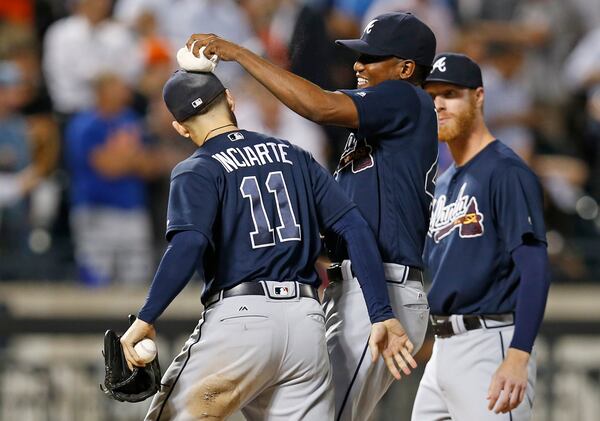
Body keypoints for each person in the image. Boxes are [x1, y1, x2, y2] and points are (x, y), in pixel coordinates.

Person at [119, 70, 416, 421]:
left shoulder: (196, 168)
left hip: (241, 321)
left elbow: (189, 244)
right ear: (230, 100)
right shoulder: (294, 154)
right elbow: (355, 228)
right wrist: (381, 313)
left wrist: (146, 317)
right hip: (306, 324)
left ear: (181, 127)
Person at [184, 11, 438, 421]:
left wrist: (240, 54)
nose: (359, 65)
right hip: (354, 286)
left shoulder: (406, 97)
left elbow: (319, 106)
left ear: (406, 68)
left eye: (372, 58)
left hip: (381, 292)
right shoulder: (382, 130)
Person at [413, 53, 551, 420]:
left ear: (478, 96)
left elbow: (535, 267)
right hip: (443, 349)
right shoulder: (443, 182)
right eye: (430, 96)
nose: (438, 104)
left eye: (450, 93)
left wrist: (518, 355)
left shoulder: (505, 171)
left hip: (491, 343)